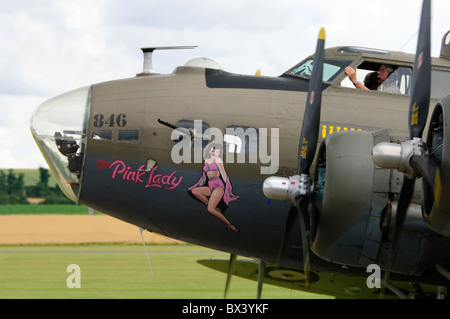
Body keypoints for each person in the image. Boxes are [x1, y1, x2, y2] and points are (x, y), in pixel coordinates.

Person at [189, 145, 239, 232]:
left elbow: (223, 174)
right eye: (213, 151)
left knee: (210, 209)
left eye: (217, 152)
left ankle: (229, 224)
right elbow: (204, 176)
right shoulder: (207, 161)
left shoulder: (218, 160)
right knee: (195, 191)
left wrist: (228, 188)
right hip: (210, 185)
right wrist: (198, 184)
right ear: (210, 151)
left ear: (219, 153)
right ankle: (213, 206)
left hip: (218, 186)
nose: (214, 153)